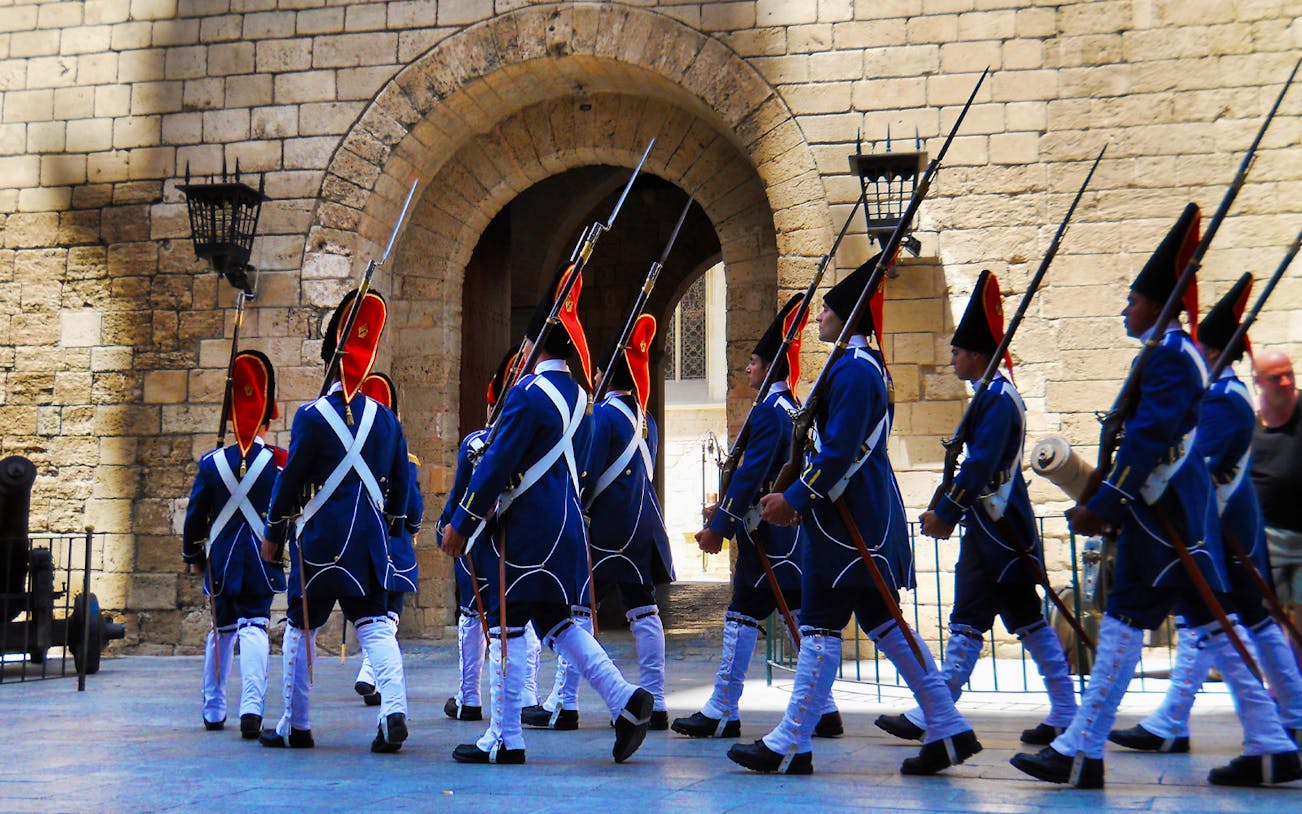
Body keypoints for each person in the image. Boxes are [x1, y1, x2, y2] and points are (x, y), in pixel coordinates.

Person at [1011, 204, 1301, 788]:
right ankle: (1265, 741)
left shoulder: (1170, 358)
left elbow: (1149, 439)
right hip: (1162, 517)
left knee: (1165, 622)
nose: (1125, 307)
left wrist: (1105, 503)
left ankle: (1083, 749)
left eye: (1132, 299)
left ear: (1158, 305)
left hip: (1162, 517)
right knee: (1182, 624)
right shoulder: (1171, 356)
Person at [729, 255, 982, 776]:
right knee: (883, 624)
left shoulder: (853, 370)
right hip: (849, 518)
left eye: (827, 312)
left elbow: (839, 451)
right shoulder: (857, 367)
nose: (819, 319)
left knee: (822, 625)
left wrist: (794, 498)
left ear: (848, 318)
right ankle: (948, 727)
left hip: (850, 524)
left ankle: (790, 743)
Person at [440, 270, 653, 765]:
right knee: (559, 623)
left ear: (533, 344)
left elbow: (495, 465)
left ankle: (504, 736)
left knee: (509, 627)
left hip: (526, 532)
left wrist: (462, 523)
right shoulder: (585, 401)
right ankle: (625, 699)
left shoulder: (527, 394)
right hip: (568, 528)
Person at [877, 270, 1077, 746]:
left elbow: (982, 464)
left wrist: (946, 510)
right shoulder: (990, 395)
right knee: (985, 619)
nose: (952, 358)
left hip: (1001, 528)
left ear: (978, 354)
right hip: (992, 528)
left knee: (1003, 618)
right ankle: (942, 708)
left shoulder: (997, 400)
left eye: (958, 351)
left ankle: (939, 711)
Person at [1110, 274, 1302, 751]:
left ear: (1212, 353)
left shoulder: (1222, 400)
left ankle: (1191, 721)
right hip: (1221, 527)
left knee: (1222, 620)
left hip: (1220, 530)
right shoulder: (1225, 396)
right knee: (1228, 621)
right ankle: (1278, 718)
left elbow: (1200, 468)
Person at [673, 294, 841, 740]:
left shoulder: (770, 412)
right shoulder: (793, 408)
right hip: (787, 535)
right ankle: (823, 708)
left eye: (753, 363)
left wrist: (719, 528)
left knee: (743, 615)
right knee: (799, 616)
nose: (747, 369)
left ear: (769, 369)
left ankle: (722, 709)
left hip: (766, 534)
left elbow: (752, 476)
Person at [258, 289, 413, 754]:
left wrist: (273, 534)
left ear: (329, 359)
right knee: (375, 626)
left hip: (321, 542)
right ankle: (394, 712)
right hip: (367, 540)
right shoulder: (386, 420)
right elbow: (401, 488)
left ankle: (297, 724)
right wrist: (391, 528)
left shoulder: (311, 416)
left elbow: (291, 484)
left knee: (302, 629)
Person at [526, 314, 674, 732]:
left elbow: (584, 473)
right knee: (644, 610)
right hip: (643, 523)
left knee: (576, 613)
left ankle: (563, 703)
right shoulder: (648, 421)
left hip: (606, 527)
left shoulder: (603, 416)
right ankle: (657, 699)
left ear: (601, 374)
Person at [183, 349, 286, 738]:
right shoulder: (278, 463)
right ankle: (252, 709)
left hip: (223, 558)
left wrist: (194, 554)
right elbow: (284, 513)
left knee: (221, 631)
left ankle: (213, 708)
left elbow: (196, 517)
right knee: (255, 627)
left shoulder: (211, 463)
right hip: (260, 556)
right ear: (268, 413)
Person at [350, 372, 423, 708]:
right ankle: (370, 672)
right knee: (388, 614)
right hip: (395, 542)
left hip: (363, 544)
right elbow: (413, 505)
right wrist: (414, 527)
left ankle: (370, 674)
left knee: (374, 615)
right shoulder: (404, 459)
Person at [1252, 349, 1302, 646]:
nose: (1285, 382)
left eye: (1289, 374)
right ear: (1258, 381)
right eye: (1275, 377)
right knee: (1268, 619)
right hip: (1267, 537)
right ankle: (1281, 686)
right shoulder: (1250, 424)